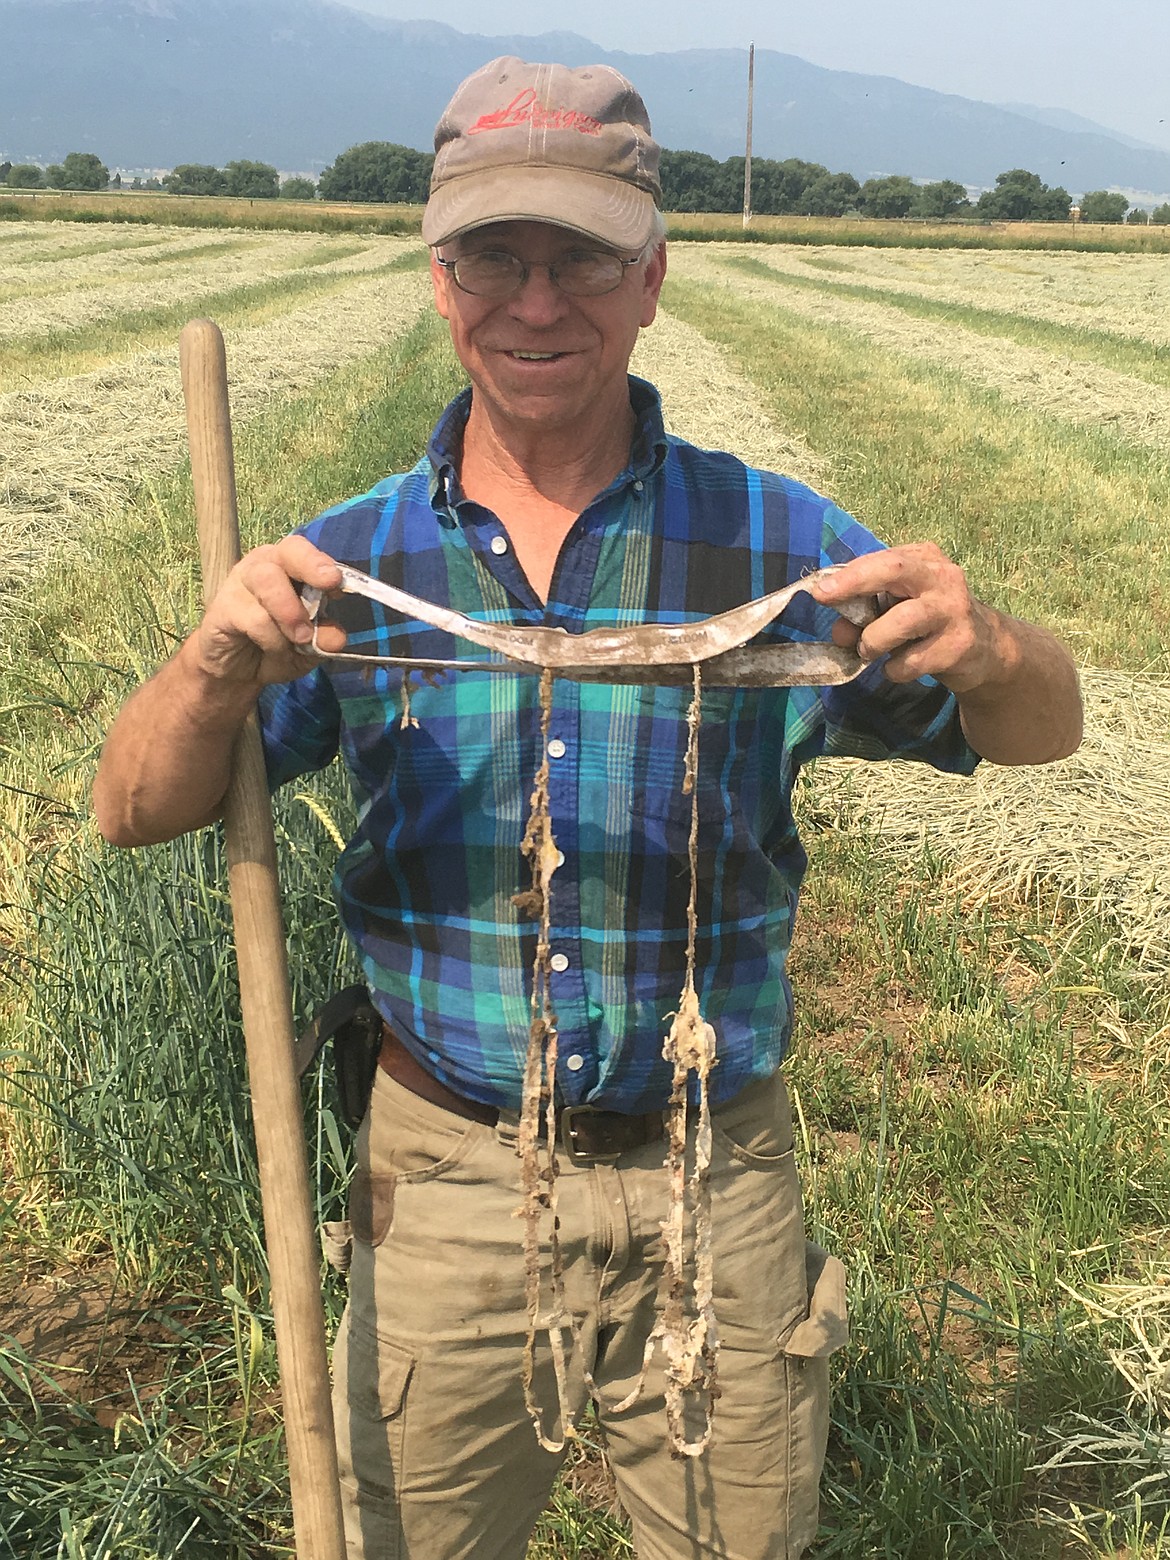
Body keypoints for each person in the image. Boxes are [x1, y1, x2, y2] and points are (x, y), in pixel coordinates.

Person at [94, 55, 1082, 1560]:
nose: (536, 302)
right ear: (441, 280)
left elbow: (1035, 735)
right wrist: (218, 660)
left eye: (582, 261)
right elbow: (132, 809)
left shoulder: (778, 544)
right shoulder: (347, 568)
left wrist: (999, 650)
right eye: (495, 257)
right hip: (443, 1182)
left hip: (714, 1170)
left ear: (651, 279)